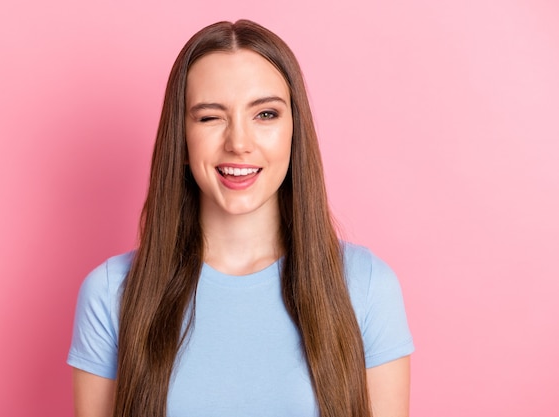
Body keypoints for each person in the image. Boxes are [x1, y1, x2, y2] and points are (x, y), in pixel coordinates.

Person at [67, 19, 414, 417]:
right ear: (180, 139)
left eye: (265, 115)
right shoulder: (111, 294)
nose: (239, 143)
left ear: (293, 133)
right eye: (210, 117)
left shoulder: (367, 287)